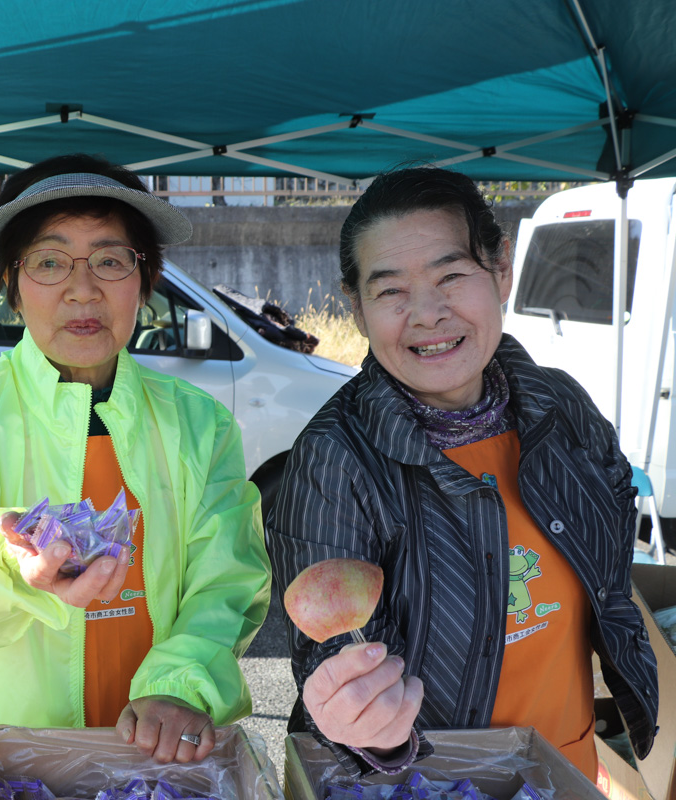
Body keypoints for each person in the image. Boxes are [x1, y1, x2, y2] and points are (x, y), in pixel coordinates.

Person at [0, 154, 271, 799]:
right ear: (11, 283)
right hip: (6, 757)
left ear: (145, 282)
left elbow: (228, 581)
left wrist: (181, 684)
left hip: (158, 755)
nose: (83, 291)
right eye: (50, 262)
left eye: (111, 261)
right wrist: (9, 571)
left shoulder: (201, 426)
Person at [269, 166, 659, 779]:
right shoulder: (334, 459)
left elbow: (610, 577)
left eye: (452, 275)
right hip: (428, 783)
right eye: (390, 290)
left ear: (501, 271)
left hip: (570, 768)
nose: (426, 314)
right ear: (358, 306)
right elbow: (331, 657)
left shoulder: (562, 408)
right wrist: (372, 731)